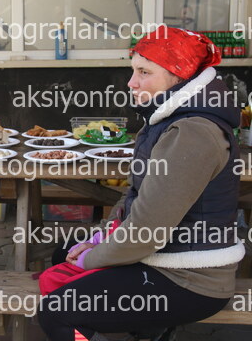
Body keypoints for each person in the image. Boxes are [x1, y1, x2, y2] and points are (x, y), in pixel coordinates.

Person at [38, 26, 245, 341]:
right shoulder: (170, 118)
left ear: (180, 77)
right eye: (133, 70)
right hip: (164, 256)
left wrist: (92, 256)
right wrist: (99, 239)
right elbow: (136, 196)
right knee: (63, 253)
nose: (131, 82)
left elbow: (147, 231)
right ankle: (149, 327)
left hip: (190, 278)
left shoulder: (192, 133)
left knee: (56, 313)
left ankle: (148, 324)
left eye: (144, 72)